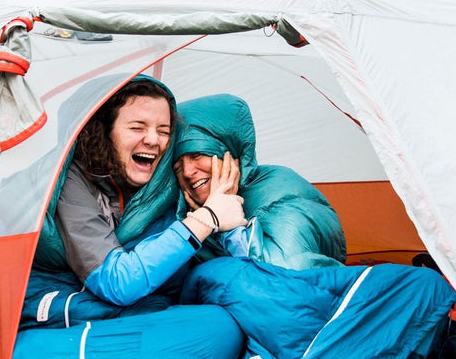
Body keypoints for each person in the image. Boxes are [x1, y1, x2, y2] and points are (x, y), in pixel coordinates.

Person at [19, 77, 245, 328]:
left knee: (219, 322)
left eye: (164, 131)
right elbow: (118, 282)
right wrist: (207, 219)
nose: (153, 140)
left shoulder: (166, 182)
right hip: (66, 306)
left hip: (152, 308)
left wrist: (220, 205)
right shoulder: (69, 181)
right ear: (104, 131)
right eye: (138, 127)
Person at [172, 94, 346, 270]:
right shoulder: (186, 217)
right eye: (177, 167)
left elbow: (282, 279)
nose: (187, 172)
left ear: (230, 152)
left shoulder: (282, 191)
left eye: (197, 155)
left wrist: (229, 227)